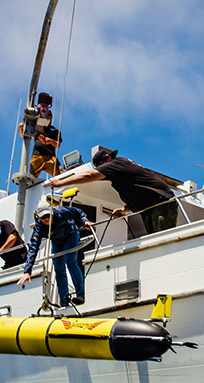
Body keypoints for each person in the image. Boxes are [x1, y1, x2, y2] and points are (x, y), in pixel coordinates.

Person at [49, 148, 178, 235]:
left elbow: (89, 175)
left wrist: (59, 183)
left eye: (100, 167)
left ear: (107, 159)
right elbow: (138, 191)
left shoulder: (115, 164)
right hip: (150, 206)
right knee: (154, 239)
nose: (102, 171)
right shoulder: (121, 169)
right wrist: (124, 209)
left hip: (160, 203)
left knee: (161, 239)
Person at [17, 204, 93, 306]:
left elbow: (77, 211)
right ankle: (64, 300)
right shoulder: (38, 228)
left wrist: (85, 221)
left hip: (71, 234)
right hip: (56, 241)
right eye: (43, 217)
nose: (47, 219)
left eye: (49, 215)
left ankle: (81, 294)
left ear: (52, 213)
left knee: (70, 262)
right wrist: (27, 271)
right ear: (38, 217)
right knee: (58, 268)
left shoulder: (61, 211)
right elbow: (33, 248)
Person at [28, 92, 63, 178]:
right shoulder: (36, 126)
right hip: (37, 156)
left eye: (48, 115)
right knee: (30, 178)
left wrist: (50, 141)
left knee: (61, 175)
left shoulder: (55, 131)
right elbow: (26, 133)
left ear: (51, 117)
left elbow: (58, 144)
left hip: (50, 157)